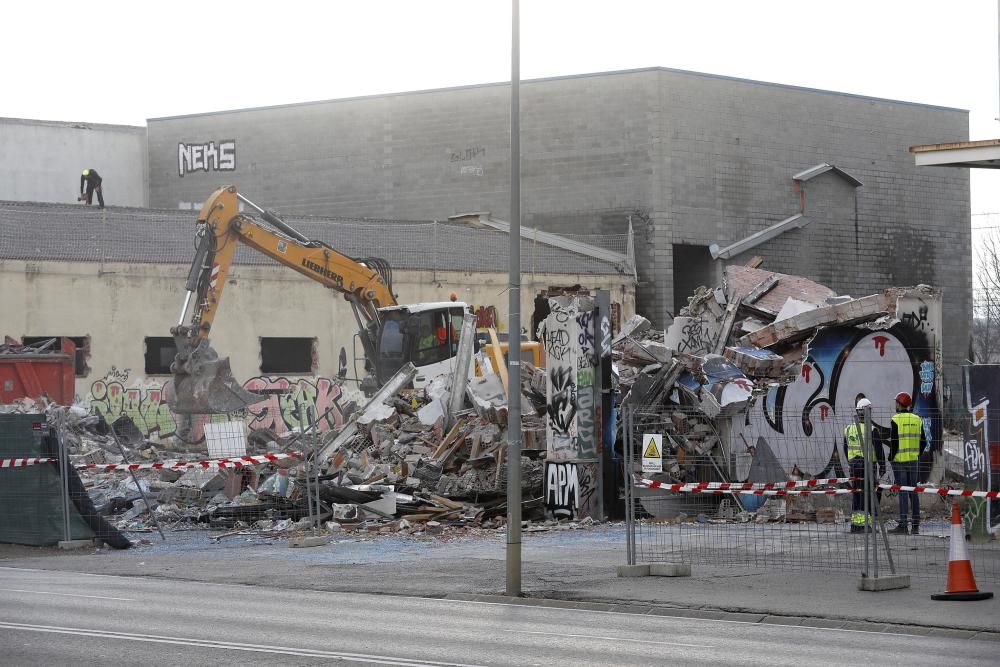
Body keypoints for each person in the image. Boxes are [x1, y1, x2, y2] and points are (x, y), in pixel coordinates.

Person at [888, 391, 927, 535]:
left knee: (903, 492)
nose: (895, 405)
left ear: (899, 404)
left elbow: (894, 443)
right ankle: (915, 525)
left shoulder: (895, 419)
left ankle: (903, 525)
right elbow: (924, 442)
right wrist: (917, 454)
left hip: (899, 462)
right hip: (913, 460)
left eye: (896, 402)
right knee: (914, 492)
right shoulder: (917, 419)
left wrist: (890, 457)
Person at [844, 398, 885, 533]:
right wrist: (882, 465)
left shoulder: (849, 429)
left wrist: (851, 461)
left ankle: (855, 525)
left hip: (854, 466)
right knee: (868, 495)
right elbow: (879, 450)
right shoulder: (872, 430)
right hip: (867, 466)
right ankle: (864, 525)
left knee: (857, 494)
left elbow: (845, 448)